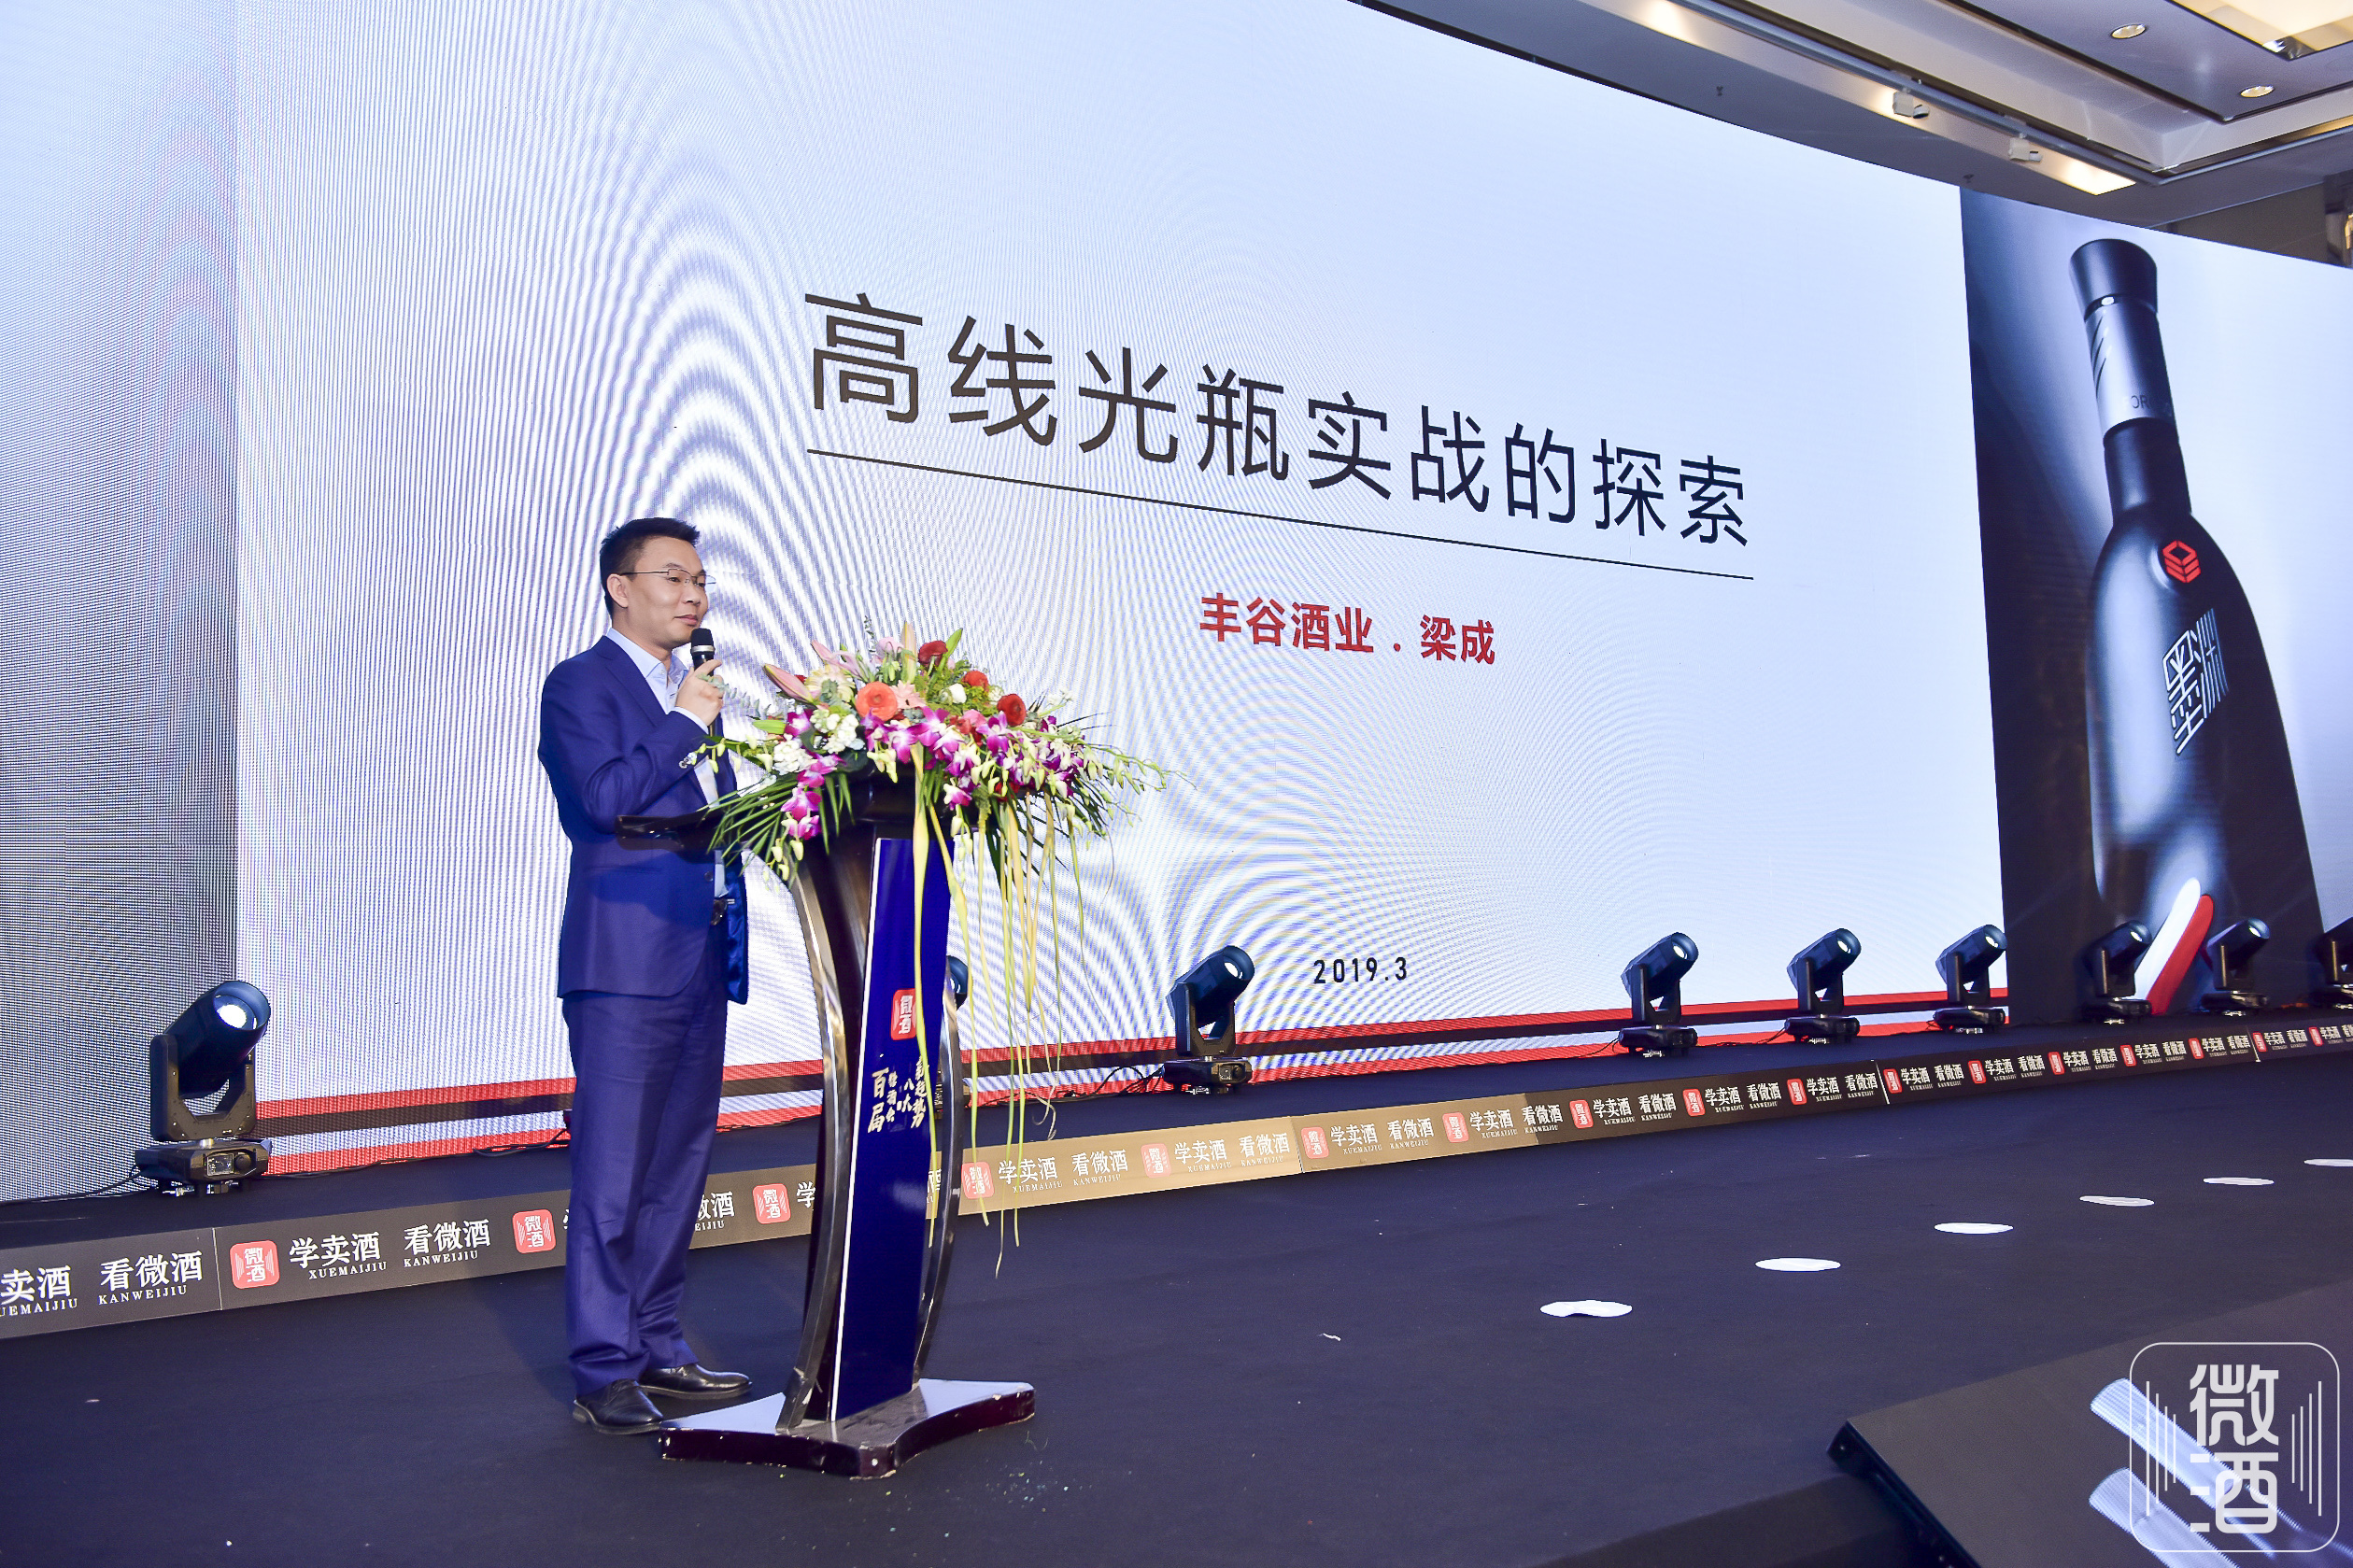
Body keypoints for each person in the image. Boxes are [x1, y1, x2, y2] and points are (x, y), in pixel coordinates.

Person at [537, 516, 753, 1434]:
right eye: (673, 576)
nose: (692, 593)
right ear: (620, 587)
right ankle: (602, 1367)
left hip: (700, 952)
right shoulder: (581, 683)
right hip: (624, 963)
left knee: (676, 1166)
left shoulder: (688, 691)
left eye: (699, 579)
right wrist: (683, 722)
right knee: (614, 1172)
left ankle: (659, 1343)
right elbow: (603, 801)